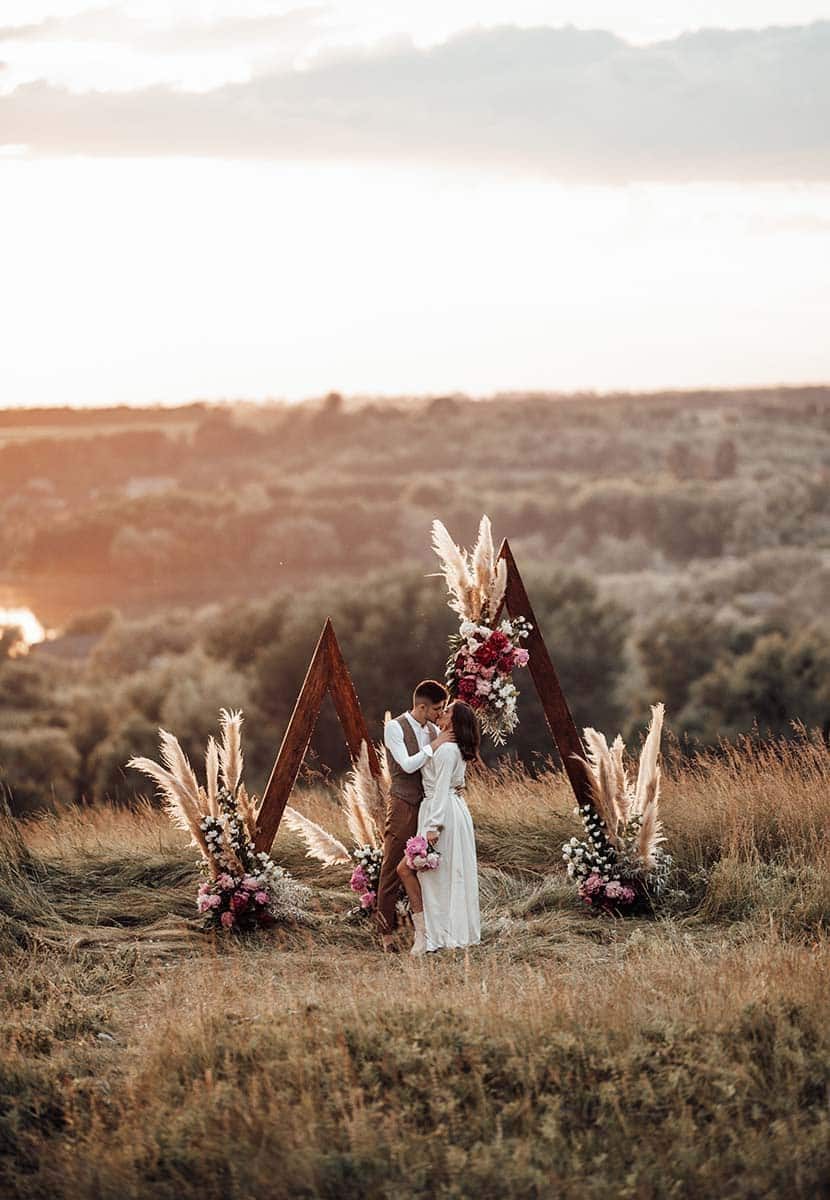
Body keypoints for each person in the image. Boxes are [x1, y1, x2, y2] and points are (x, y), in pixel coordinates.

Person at [396, 700, 481, 956]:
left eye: (447, 712)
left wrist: (432, 827)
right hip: (450, 811)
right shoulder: (450, 747)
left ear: (453, 722)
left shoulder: (446, 751)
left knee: (420, 873)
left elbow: (442, 788)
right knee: (440, 877)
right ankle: (436, 933)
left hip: (440, 814)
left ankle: (430, 936)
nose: (441, 713)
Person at [376, 680, 453, 952]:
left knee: (422, 869)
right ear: (421, 706)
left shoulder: (434, 729)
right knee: (392, 868)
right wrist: (436, 744)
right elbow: (408, 765)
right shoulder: (394, 728)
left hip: (428, 810)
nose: (439, 713)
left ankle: (425, 931)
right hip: (402, 806)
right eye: (436, 708)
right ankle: (386, 934)